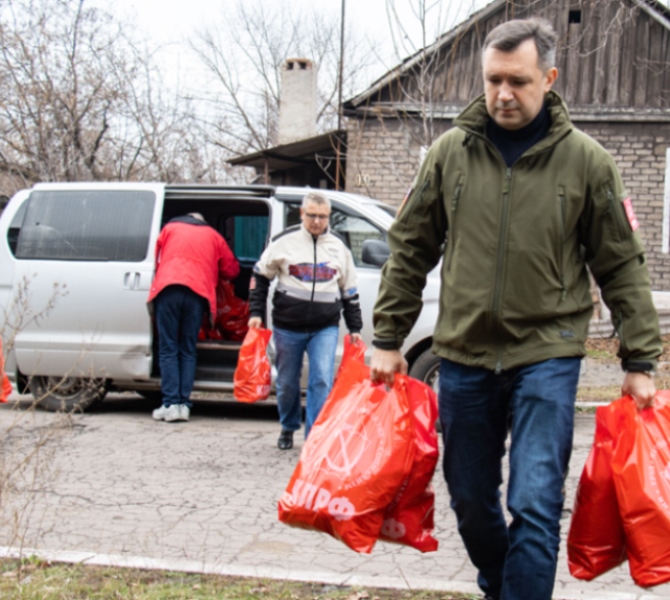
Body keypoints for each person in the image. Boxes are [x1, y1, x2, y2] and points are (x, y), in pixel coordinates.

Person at [370, 18, 661, 600]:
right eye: (493, 80)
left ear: (549, 79)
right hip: (463, 353)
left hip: (546, 354)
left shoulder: (587, 162)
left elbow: (621, 263)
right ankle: (503, 585)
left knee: (534, 501)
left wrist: (641, 357)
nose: (504, 93)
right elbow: (410, 248)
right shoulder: (449, 153)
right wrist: (387, 338)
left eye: (518, 81)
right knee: (472, 500)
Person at [248, 191, 362, 450]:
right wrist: (256, 313)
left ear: (329, 217)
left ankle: (314, 437)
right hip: (288, 326)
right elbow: (260, 276)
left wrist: (355, 327)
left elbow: (350, 291)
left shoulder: (338, 248)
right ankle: (288, 426)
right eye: (312, 215)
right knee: (287, 382)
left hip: (325, 326)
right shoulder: (284, 242)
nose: (317, 221)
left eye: (322, 217)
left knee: (321, 378)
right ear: (302, 214)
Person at [147, 212, 239, 422]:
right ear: (202, 222)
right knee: (188, 349)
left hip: (168, 290)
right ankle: (183, 405)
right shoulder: (213, 235)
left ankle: (170, 403)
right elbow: (231, 270)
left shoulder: (168, 230)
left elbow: (154, 259)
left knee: (168, 347)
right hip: (198, 293)